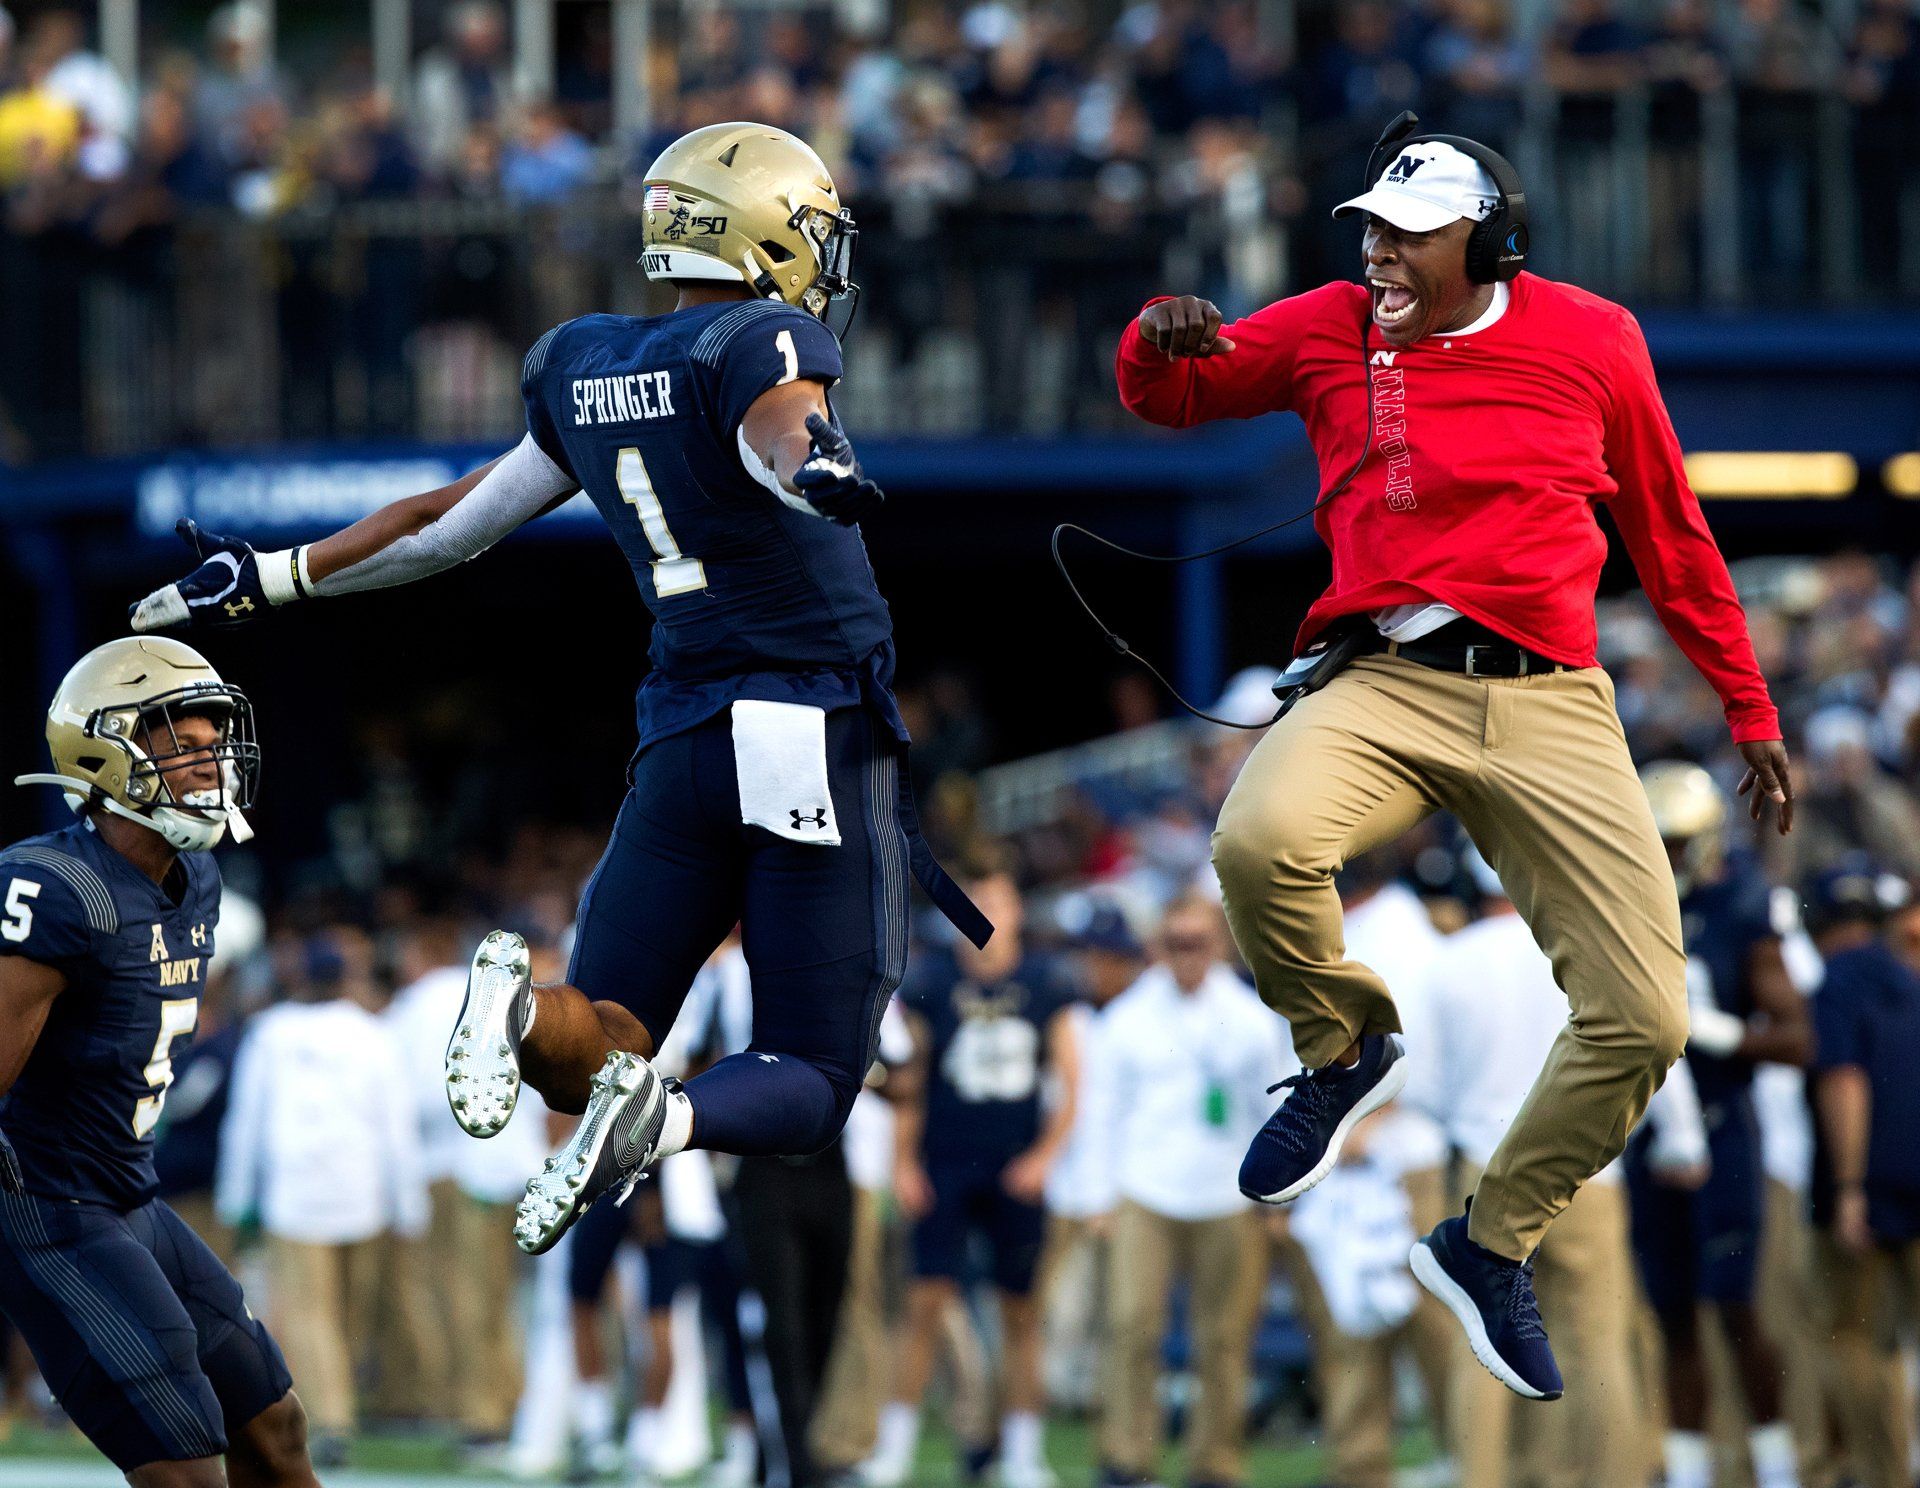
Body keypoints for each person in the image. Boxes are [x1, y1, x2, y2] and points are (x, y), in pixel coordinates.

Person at [129, 120, 992, 1258]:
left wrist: (276, 576)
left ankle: (523, 1013)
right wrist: (815, 466)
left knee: (607, 1034)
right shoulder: (765, 340)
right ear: (763, 236)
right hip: (805, 729)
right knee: (817, 1077)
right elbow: (786, 425)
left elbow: (450, 524)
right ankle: (667, 1117)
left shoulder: (588, 362)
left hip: (681, 735)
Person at [1113, 110, 1791, 1400]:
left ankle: (1489, 1244)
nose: (1380, 254)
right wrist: (1160, 331)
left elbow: (1671, 533)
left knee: (1645, 1017)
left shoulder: (1595, 338)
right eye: (1370, 229)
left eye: (1411, 237)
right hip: (1384, 680)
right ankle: (1343, 1047)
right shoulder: (1330, 324)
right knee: (1257, 841)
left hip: (1551, 702)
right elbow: (1170, 395)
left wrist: (1747, 711)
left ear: (1492, 246)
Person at [0, 636, 317, 1487]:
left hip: (130, 1192)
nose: (209, 757)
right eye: (181, 738)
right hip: (50, 1205)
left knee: (276, 1429)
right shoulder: (56, 888)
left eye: (217, 737)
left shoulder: (200, 877)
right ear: (104, 749)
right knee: (187, 1464)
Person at [1412, 851, 1660, 1488]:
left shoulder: (1449, 962)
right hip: (1585, 1166)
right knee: (1596, 1343)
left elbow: (1427, 1088)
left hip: (1485, 1160)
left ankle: (1488, 1479)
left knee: (1486, 1343)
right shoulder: (1588, 946)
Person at [863, 868, 1079, 1488]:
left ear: (1016, 910)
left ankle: (1022, 1453)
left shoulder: (1044, 981)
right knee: (924, 1302)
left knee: (1020, 1310)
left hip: (1015, 1160)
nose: (985, 912)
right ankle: (895, 1449)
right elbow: (910, 1084)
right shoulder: (934, 979)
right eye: (974, 901)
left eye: (996, 900)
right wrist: (902, 1163)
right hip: (947, 1160)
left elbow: (1071, 1079)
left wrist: (1045, 1155)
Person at [1626, 763, 1809, 1488]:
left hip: (1724, 1122)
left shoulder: (1739, 903)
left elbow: (1797, 1038)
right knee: (1669, 1315)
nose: (1668, 857)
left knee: (1735, 1306)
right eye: (1658, 841)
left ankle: (1776, 1465)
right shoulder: (1626, 902)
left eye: (1679, 843)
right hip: (1648, 1132)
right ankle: (1691, 1472)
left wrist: (1719, 1033)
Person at [1085, 893, 1286, 1488]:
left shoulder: (1251, 1018)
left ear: (1220, 945)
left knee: (1224, 1338)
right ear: (1158, 947)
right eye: (1175, 943)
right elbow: (1103, 1111)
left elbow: (1272, 1114)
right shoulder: (1128, 1016)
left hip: (1228, 1193)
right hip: (1145, 1189)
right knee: (1130, 1327)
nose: (1187, 956)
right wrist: (1100, 1197)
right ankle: (1127, 1457)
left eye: (1197, 943)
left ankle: (1215, 1462)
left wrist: (1276, 1201)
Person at [216, 926, 428, 1461]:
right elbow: (396, 1128)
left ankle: (334, 1413)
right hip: (362, 1195)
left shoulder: (271, 1032)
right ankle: (335, 1417)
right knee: (343, 1312)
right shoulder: (373, 1035)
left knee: (316, 1314)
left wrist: (236, 1198)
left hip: (297, 1194)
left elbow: (247, 1122)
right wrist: (409, 1205)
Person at [1807, 857, 1920, 1488]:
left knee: (1856, 1341)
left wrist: (1849, 1188)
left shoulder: (1837, 982)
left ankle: (1888, 1474)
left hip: (1868, 1188)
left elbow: (1845, 1081)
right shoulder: (1908, 973)